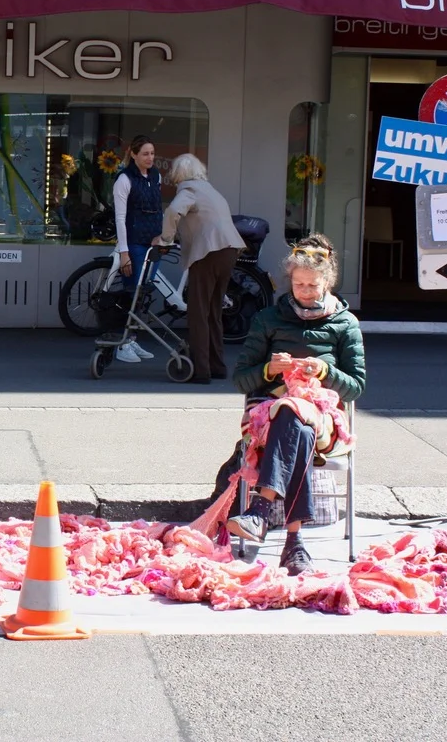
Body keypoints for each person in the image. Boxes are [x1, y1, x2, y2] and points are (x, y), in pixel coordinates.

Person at [225, 234, 365, 575]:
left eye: (312, 285)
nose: (304, 291)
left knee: (296, 413)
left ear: (328, 282)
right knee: (293, 420)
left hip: (325, 419)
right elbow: (241, 378)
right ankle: (293, 543)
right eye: (298, 284)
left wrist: (325, 371)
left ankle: (260, 511)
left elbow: (356, 387)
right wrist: (269, 369)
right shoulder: (269, 319)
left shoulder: (345, 324)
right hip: (270, 416)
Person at [152, 154, 245, 384]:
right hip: (229, 250)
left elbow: (173, 212)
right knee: (214, 311)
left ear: (180, 173)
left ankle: (201, 370)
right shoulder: (210, 190)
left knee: (198, 311)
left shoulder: (189, 190)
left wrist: (165, 239)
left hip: (209, 252)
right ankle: (218, 365)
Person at [112, 135, 164, 363]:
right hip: (134, 241)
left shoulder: (156, 176)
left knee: (143, 293)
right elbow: (120, 217)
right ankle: (123, 344)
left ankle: (132, 339)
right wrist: (124, 252)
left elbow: (158, 208)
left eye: (152, 153)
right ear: (133, 155)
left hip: (152, 241)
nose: (150, 158)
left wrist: (161, 236)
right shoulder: (124, 179)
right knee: (132, 290)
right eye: (145, 153)